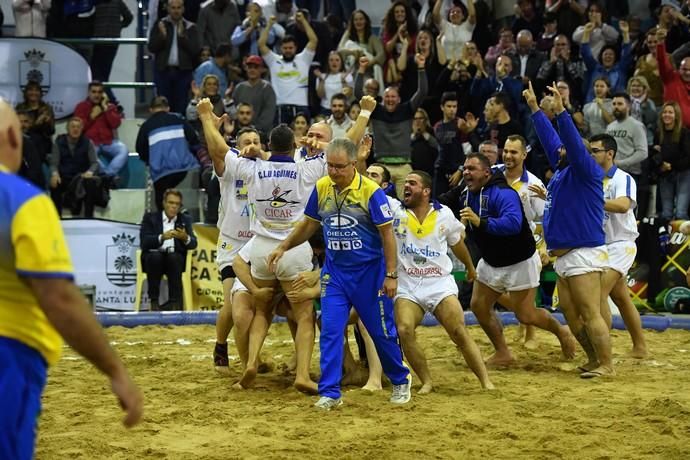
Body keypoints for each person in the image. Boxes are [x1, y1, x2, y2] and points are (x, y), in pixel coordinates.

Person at [0, 100, 142, 459]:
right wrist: (115, 370)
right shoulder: (20, 201)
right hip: (9, 356)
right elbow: (59, 299)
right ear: (12, 136)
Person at [267, 137, 412, 410]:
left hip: (370, 274)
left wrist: (391, 274)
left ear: (354, 164)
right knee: (331, 330)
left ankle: (400, 378)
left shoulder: (370, 192)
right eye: (330, 166)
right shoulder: (322, 187)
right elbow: (309, 224)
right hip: (335, 273)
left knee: (381, 331)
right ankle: (330, 392)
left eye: (339, 167)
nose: (333, 172)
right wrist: (283, 247)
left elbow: (387, 235)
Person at [526, 80, 614, 378]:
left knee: (589, 313)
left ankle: (607, 364)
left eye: (567, 148)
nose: (559, 150)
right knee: (571, 313)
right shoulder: (564, 171)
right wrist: (536, 111)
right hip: (564, 254)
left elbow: (571, 145)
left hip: (583, 251)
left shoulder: (585, 168)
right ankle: (593, 359)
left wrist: (562, 112)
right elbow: (554, 144)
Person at [459, 152, 575, 366]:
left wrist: (546, 247)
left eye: (471, 169)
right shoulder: (470, 190)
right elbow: (447, 200)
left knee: (526, 315)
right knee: (479, 306)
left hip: (520, 257)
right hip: (491, 258)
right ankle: (503, 352)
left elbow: (517, 223)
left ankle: (561, 331)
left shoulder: (511, 190)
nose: (466, 172)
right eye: (464, 168)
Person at [393, 170, 494, 393]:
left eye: (412, 183)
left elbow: (457, 244)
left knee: (458, 331)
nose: (406, 186)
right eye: (405, 183)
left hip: (438, 283)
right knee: (404, 329)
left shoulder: (444, 214)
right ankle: (426, 381)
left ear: (426, 191)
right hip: (408, 284)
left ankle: (486, 381)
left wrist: (469, 267)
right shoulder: (394, 211)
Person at [589, 133, 648, 358]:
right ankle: (640, 346)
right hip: (601, 246)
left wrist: (593, 202)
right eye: (590, 151)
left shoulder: (622, 178)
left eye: (595, 151)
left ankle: (601, 351)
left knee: (597, 294)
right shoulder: (592, 178)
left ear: (610, 154)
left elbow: (623, 205)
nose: (591, 155)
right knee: (621, 297)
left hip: (621, 244)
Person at [212, 127, 261, 374]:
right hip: (232, 244)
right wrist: (210, 122)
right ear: (236, 146)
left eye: (256, 141)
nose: (252, 145)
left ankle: (253, 357)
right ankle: (220, 348)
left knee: (255, 306)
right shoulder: (230, 165)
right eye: (246, 142)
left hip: (258, 244)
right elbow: (215, 151)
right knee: (232, 306)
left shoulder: (266, 167)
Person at [136, 96, 200, 211]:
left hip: (160, 172)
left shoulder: (147, 126)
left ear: (151, 109)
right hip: (183, 169)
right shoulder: (179, 120)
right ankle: (179, 216)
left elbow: (140, 149)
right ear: (168, 108)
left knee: (161, 202)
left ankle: (166, 223)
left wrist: (149, 162)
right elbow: (194, 139)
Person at [139, 188, 198, 311]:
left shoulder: (184, 219)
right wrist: (162, 237)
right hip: (154, 261)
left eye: (177, 204)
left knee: (174, 257)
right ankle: (154, 302)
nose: (174, 207)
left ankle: (174, 303)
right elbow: (144, 242)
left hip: (174, 261)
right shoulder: (150, 218)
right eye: (171, 203)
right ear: (164, 203)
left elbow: (193, 244)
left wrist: (185, 237)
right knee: (155, 257)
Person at [259, 12, 317, 124]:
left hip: (301, 106)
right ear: (281, 48)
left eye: (290, 48)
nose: (288, 50)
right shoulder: (273, 60)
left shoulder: (304, 59)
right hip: (280, 107)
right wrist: (269, 25)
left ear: (295, 48)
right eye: (285, 48)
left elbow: (313, 40)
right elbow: (261, 44)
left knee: (303, 139)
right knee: (281, 140)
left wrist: (303, 21)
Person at [148, 0, 201, 115]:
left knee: (181, 107)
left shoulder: (191, 27)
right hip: (163, 72)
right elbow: (151, 47)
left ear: (183, 9)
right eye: (173, 8)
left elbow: (195, 51)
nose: (176, 11)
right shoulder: (160, 24)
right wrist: (162, 37)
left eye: (178, 7)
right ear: (168, 8)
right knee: (163, 107)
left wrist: (182, 37)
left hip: (183, 73)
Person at [73, 81, 129, 182]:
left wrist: (105, 108)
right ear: (88, 93)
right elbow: (78, 128)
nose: (96, 95)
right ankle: (109, 177)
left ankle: (107, 175)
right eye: (94, 92)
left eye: (99, 92)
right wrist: (92, 116)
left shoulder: (110, 107)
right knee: (90, 155)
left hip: (109, 142)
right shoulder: (81, 106)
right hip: (90, 142)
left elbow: (115, 124)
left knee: (123, 150)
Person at [606, 92, 649, 218]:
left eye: (620, 104)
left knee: (627, 213)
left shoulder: (636, 126)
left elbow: (643, 152)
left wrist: (620, 163)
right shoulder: (610, 127)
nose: (616, 107)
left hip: (631, 174)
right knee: (611, 212)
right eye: (614, 104)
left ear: (628, 106)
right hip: (611, 175)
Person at [49, 117, 102, 218]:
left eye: (78, 127)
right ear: (67, 129)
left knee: (90, 183)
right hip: (65, 177)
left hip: (81, 178)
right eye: (72, 127)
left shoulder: (87, 142)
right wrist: (55, 174)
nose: (75, 129)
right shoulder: (59, 142)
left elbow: (94, 163)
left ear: (82, 129)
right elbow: (54, 164)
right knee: (55, 183)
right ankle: (56, 219)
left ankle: (88, 217)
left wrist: (90, 172)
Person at [653, 101, 690, 221]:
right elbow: (655, 154)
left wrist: (671, 166)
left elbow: (688, 157)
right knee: (666, 214)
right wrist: (661, 165)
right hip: (665, 175)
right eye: (664, 112)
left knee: (680, 212)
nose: (667, 115)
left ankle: (682, 239)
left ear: (676, 115)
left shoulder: (684, 133)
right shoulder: (658, 133)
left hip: (683, 174)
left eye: (670, 112)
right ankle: (666, 239)